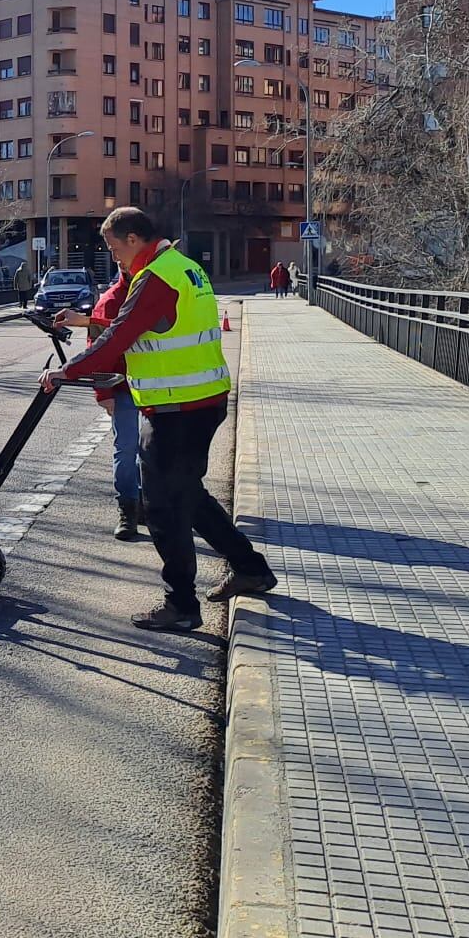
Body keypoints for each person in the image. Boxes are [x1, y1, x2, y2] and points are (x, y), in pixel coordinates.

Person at [40, 207, 277, 631]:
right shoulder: (183, 268)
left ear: (134, 239)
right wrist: (90, 320)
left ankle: (181, 606)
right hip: (199, 401)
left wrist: (66, 370)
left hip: (176, 410)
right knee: (189, 496)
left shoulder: (155, 277)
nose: (114, 257)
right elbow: (155, 326)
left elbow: (123, 335)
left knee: (164, 509)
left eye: (114, 249)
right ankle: (250, 569)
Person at [55, 263, 145, 541]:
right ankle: (129, 509)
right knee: (127, 449)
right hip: (123, 388)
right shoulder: (110, 301)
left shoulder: (156, 290)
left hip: (161, 385)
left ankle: (149, 503)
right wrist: (103, 394)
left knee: (155, 452)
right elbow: (97, 349)